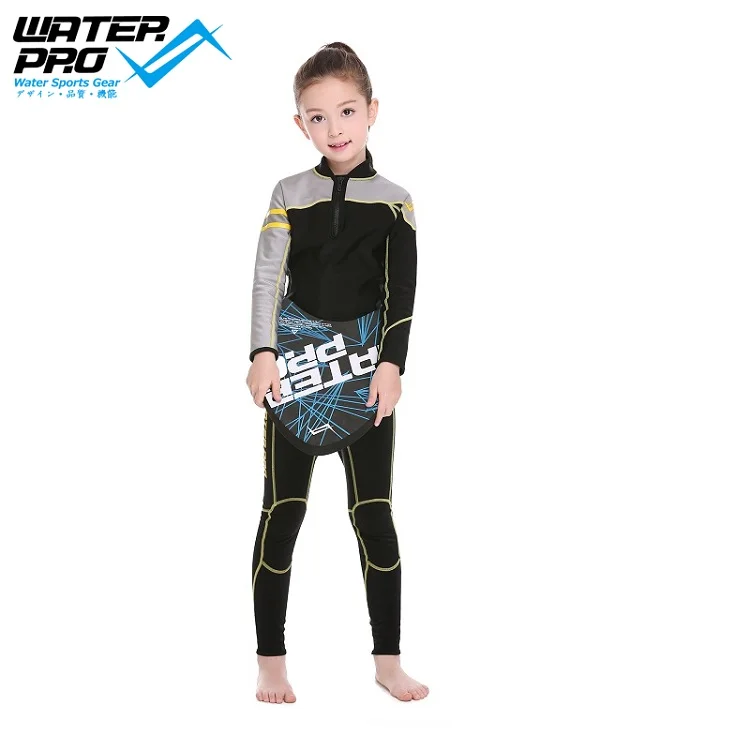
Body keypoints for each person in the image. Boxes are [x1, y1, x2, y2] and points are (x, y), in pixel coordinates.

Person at [245, 42, 428, 704]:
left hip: (364, 373)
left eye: (347, 111)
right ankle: (271, 662)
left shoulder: (396, 202)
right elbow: (268, 277)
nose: (335, 128)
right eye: (317, 117)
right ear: (301, 124)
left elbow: (401, 292)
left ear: (372, 110)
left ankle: (388, 661)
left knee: (374, 513)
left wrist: (392, 365)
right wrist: (262, 353)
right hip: (297, 368)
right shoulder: (289, 193)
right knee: (282, 511)